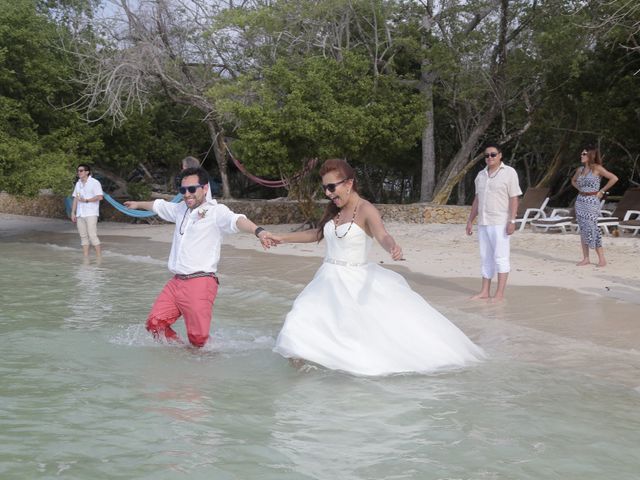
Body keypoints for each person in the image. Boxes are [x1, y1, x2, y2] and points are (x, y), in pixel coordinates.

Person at [266, 159, 484, 376]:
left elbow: (382, 235)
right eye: (325, 188)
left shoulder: (366, 209)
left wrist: (392, 247)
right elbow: (317, 234)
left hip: (354, 281)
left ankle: (340, 370)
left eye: (332, 187)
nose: (328, 193)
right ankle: (305, 377)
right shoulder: (334, 211)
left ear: (348, 183)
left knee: (354, 336)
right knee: (299, 321)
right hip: (326, 279)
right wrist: (282, 237)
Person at [124, 167, 274, 347]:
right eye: (183, 190)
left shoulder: (216, 211)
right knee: (154, 324)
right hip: (176, 282)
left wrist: (259, 231)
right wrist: (137, 204)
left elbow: (237, 220)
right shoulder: (180, 209)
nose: (187, 194)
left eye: (192, 189)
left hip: (200, 282)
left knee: (198, 341)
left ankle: (206, 368)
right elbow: (158, 205)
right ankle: (181, 356)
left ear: (204, 188)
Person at [466, 143, 522, 302]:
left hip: (500, 222)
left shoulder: (509, 173)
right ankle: (484, 291)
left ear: (500, 155)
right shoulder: (480, 175)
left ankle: (499, 293)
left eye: (493, 154)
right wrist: (470, 220)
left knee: (501, 257)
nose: (489, 157)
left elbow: (514, 198)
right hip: (483, 222)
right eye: (487, 155)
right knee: (485, 257)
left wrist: (512, 220)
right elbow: (477, 199)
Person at [571, 145, 618, 267]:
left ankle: (602, 259)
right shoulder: (579, 170)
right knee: (583, 229)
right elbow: (573, 181)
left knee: (592, 227)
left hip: (592, 200)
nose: (581, 155)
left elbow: (614, 178)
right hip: (580, 200)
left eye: (584, 154)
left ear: (590, 155)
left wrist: (602, 191)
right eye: (581, 154)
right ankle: (586, 258)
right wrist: (580, 189)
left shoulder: (597, 168)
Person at [71, 164, 104, 257]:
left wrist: (86, 200)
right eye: (78, 171)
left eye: (81, 170)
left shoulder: (94, 182)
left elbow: (100, 197)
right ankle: (85, 258)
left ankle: (99, 258)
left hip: (91, 212)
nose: (79, 172)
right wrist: (73, 212)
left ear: (87, 172)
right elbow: (75, 198)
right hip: (80, 213)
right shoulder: (78, 184)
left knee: (92, 235)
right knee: (83, 236)